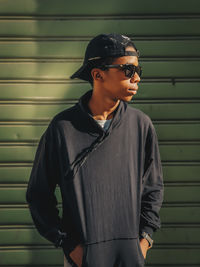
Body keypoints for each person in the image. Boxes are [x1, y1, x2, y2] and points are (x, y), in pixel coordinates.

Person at [26, 33, 164, 267]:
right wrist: (70, 246)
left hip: (130, 258)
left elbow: (153, 188)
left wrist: (144, 241)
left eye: (139, 70)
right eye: (128, 71)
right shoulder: (63, 128)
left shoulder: (141, 125)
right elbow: (39, 195)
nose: (137, 78)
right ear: (98, 74)